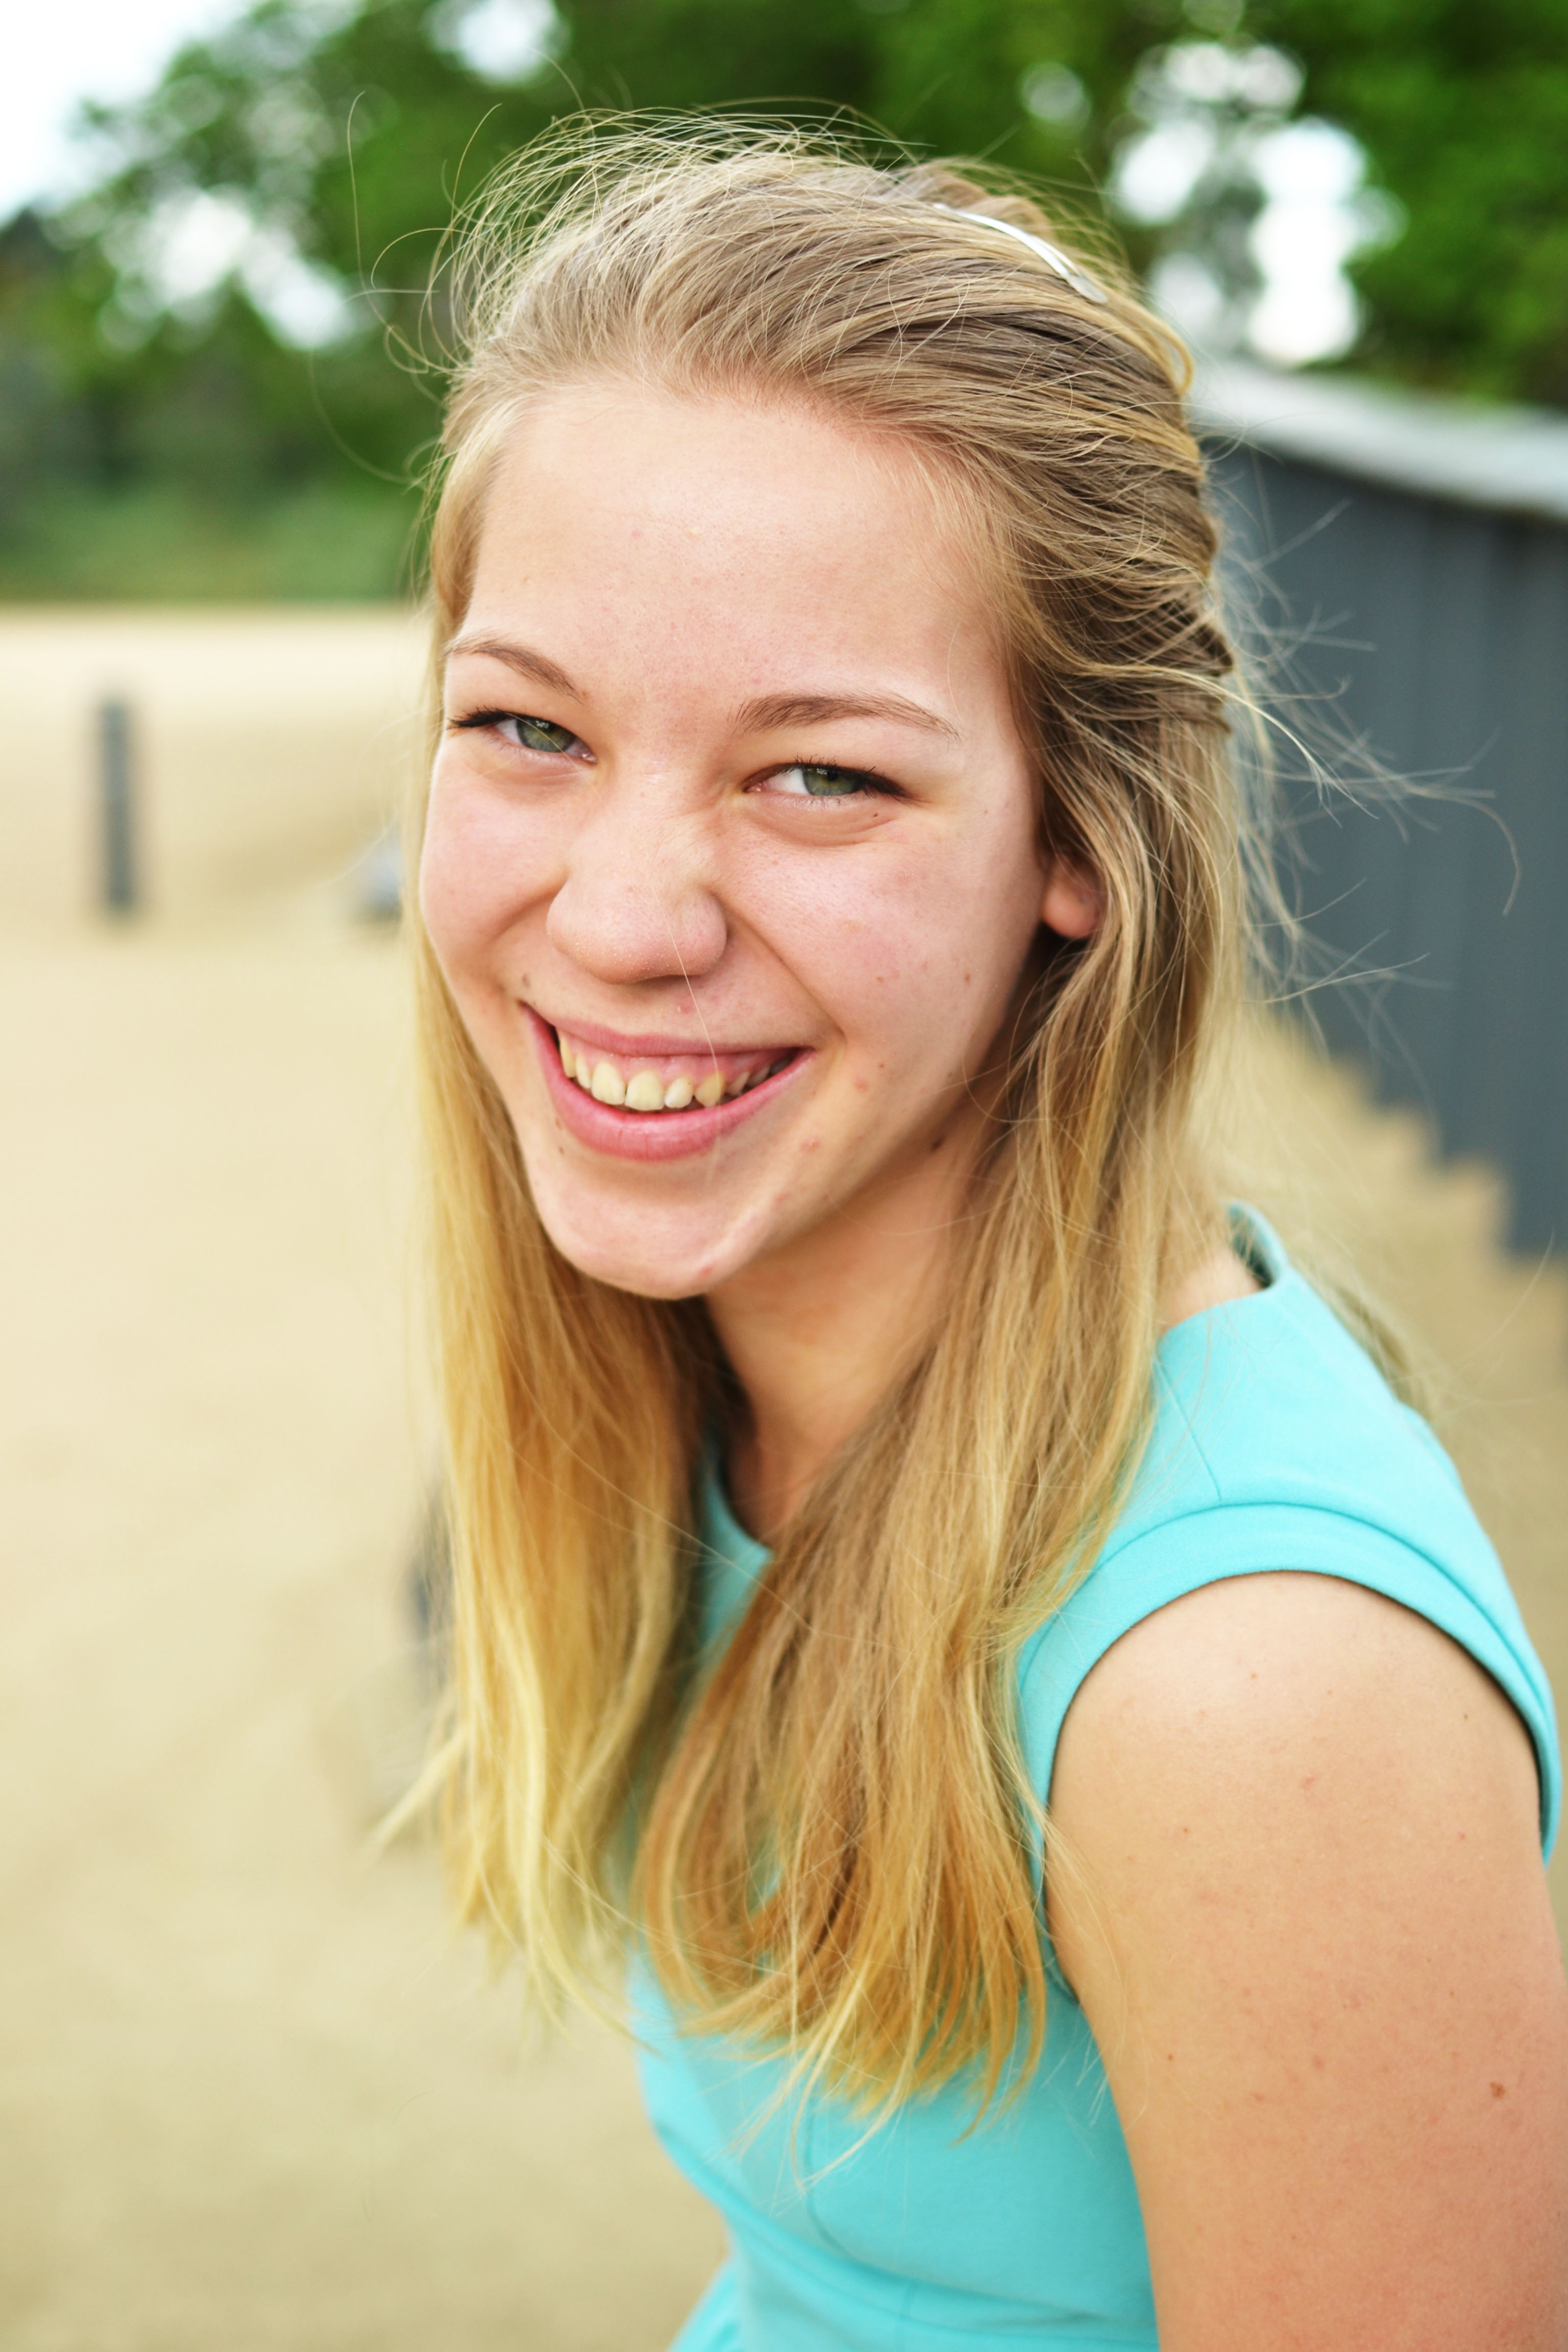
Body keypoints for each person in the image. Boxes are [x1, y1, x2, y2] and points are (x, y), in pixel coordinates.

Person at [410, 124, 1568, 2349]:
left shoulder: (1250, 1692)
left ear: (1082, 839)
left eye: (821, 774)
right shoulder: (741, 1389)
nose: (625, 918)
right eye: (530, 728)